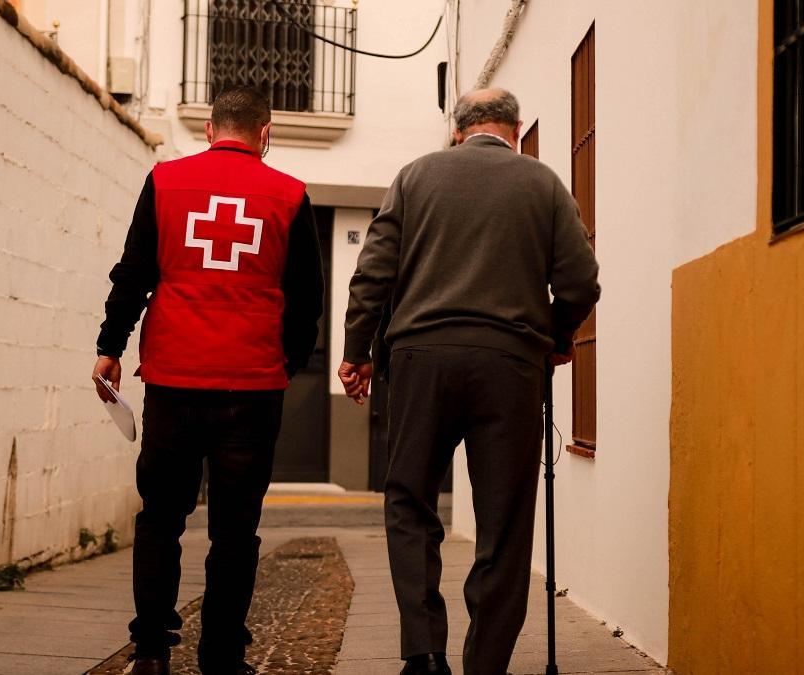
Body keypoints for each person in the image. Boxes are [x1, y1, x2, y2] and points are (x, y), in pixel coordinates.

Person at [339, 88, 601, 675]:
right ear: (515, 128)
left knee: (410, 502)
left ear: (457, 130)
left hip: (419, 362)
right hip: (510, 366)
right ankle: (486, 663)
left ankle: (424, 651)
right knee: (505, 521)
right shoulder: (545, 184)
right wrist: (555, 339)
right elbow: (581, 280)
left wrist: (358, 353)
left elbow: (372, 274)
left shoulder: (414, 177)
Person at [91, 87, 324, 675]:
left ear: (209, 127)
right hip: (251, 388)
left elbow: (135, 272)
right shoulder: (290, 196)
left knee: (160, 518)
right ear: (265, 132)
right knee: (235, 531)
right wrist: (284, 366)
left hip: (172, 380)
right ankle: (221, 657)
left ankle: (148, 650)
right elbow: (306, 303)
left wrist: (110, 347)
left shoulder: (165, 182)